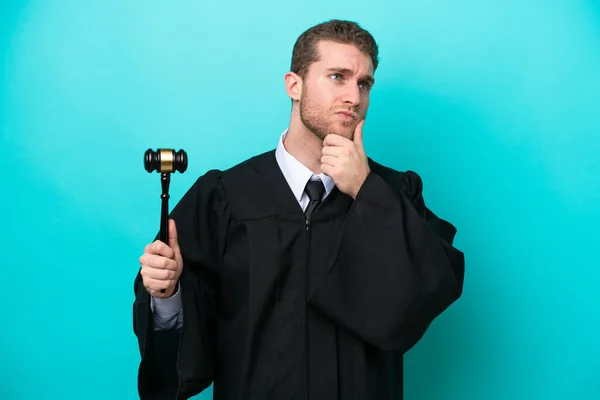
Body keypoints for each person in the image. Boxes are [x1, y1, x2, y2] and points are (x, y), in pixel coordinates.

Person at [133, 19, 465, 400]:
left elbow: (430, 286)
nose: (354, 97)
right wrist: (167, 294)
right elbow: (187, 330)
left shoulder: (393, 192)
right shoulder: (226, 195)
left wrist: (365, 189)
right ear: (294, 84)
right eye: (337, 76)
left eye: (364, 83)